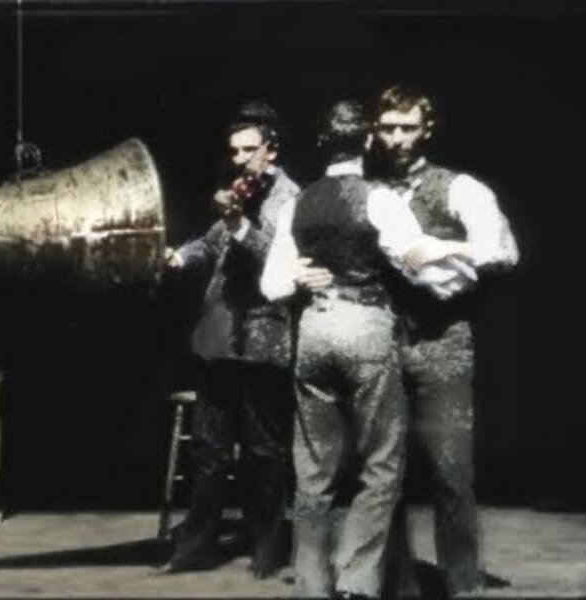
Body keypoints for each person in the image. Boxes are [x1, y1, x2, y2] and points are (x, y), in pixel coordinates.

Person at [364, 84, 520, 595]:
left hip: (443, 344)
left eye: (408, 127)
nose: (397, 138)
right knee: (382, 476)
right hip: (380, 344)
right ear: (375, 130)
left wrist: (441, 247)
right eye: (389, 127)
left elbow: (503, 251)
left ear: (426, 130)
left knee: (451, 472)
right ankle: (397, 585)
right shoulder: (362, 189)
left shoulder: (459, 188)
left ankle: (462, 583)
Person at [261, 100, 407, 600]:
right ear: (368, 141)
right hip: (365, 325)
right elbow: (413, 260)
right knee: (380, 462)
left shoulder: (296, 204)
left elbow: (272, 286)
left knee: (313, 468)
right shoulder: (381, 198)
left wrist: (301, 276)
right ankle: (357, 582)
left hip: (316, 328)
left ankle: (311, 585)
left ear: (323, 144)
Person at [163, 101, 300, 578]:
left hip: (263, 337)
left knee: (264, 450)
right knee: (208, 448)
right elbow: (210, 243)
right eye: (234, 150)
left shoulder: (290, 198)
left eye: (249, 149)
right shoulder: (239, 190)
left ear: (271, 149)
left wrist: (240, 223)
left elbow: (280, 261)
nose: (239, 159)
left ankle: (268, 546)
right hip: (220, 336)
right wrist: (180, 257)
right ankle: (197, 546)